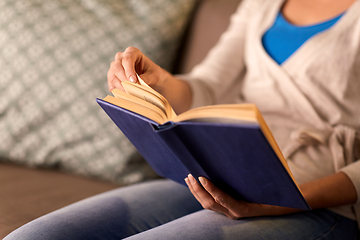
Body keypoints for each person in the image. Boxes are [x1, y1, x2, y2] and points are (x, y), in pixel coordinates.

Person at [5, 0, 360, 239]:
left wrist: (287, 201)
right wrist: (159, 80)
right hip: (222, 176)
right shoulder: (262, 4)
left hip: (316, 198)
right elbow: (207, 85)